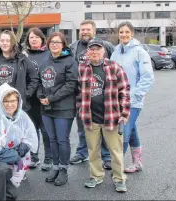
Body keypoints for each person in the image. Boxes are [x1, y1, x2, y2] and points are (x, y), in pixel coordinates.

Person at [77, 38, 131, 192]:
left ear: (104, 51)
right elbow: (78, 92)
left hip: (112, 117)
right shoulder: (82, 68)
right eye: (91, 49)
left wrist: (124, 113)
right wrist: (80, 109)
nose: (94, 52)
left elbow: (125, 90)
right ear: (87, 52)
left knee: (115, 151)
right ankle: (96, 176)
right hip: (90, 118)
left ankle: (119, 179)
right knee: (93, 150)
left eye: (97, 49)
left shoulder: (114, 67)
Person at [111, 21, 154, 173]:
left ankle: (117, 168)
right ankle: (137, 162)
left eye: (127, 32)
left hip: (132, 101)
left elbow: (148, 77)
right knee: (132, 129)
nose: (124, 35)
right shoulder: (115, 52)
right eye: (121, 32)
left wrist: (132, 95)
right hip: (117, 101)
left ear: (132, 33)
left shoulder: (139, 52)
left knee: (122, 132)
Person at [69, 20, 113, 169]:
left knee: (104, 126)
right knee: (82, 126)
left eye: (88, 29)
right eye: (82, 30)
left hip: (102, 95)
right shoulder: (73, 47)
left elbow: (115, 64)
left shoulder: (105, 46)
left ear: (94, 31)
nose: (84, 32)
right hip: (81, 95)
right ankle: (82, 153)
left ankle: (106, 156)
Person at [37, 32, 78, 186]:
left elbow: (71, 85)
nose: (54, 44)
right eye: (52, 42)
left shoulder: (70, 61)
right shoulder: (45, 60)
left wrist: (51, 98)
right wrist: (40, 95)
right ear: (48, 44)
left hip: (63, 108)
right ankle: (55, 166)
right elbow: (39, 81)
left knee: (62, 140)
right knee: (52, 139)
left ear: (63, 44)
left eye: (58, 42)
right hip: (46, 107)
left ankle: (63, 168)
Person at [22, 27, 52, 170]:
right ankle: (34, 157)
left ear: (42, 39)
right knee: (32, 129)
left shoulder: (48, 54)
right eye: (31, 37)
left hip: (44, 97)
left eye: (36, 37)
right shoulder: (23, 55)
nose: (33, 40)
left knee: (45, 129)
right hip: (29, 97)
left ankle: (48, 158)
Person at [0, 30, 39, 114]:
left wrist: (25, 94)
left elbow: (34, 78)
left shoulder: (22, 58)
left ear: (13, 42)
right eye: (2, 41)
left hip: (16, 105)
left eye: (8, 41)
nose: (4, 43)